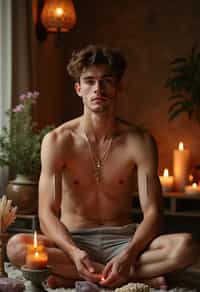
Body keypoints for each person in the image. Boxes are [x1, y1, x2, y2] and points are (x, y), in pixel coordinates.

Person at [7, 44, 199, 289]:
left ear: (118, 87)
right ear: (78, 89)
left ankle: (85, 275)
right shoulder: (57, 141)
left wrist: (129, 254)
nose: (98, 89)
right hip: (73, 240)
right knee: (16, 247)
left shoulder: (139, 141)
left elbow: (153, 213)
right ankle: (132, 275)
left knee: (187, 246)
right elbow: (46, 213)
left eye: (106, 80)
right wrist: (74, 252)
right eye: (89, 81)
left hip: (124, 240)